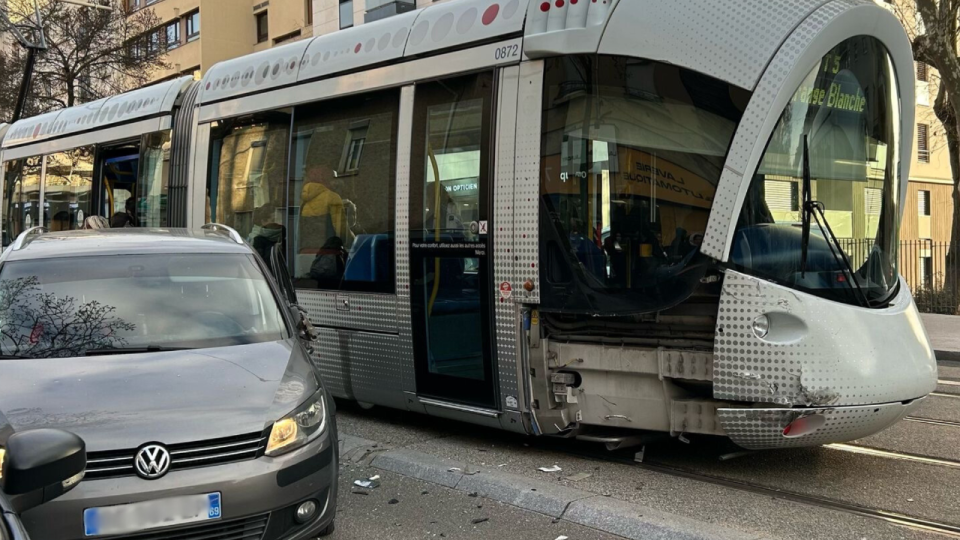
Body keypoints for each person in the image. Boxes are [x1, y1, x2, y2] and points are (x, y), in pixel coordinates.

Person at [299, 164, 352, 251]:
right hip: (327, 251)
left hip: (304, 250)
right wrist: (354, 241)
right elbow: (341, 228)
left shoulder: (301, 198)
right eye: (332, 178)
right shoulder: (332, 197)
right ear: (326, 179)